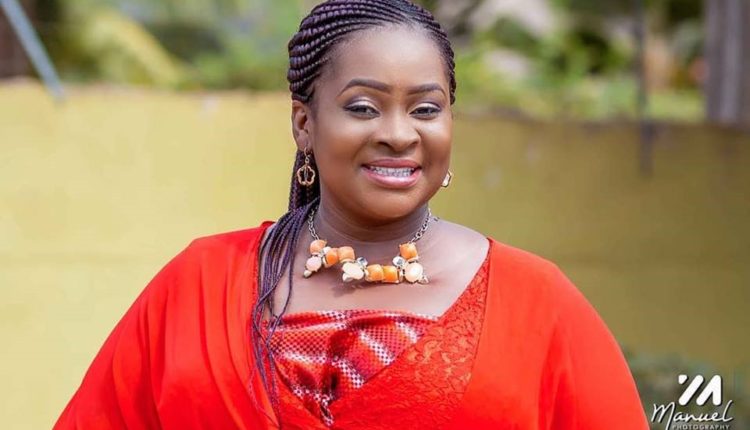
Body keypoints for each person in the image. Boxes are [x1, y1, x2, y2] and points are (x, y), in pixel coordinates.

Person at [54, 1, 648, 429]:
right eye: (363, 107)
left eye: (426, 109)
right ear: (303, 123)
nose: (398, 134)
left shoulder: (535, 302)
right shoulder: (200, 283)